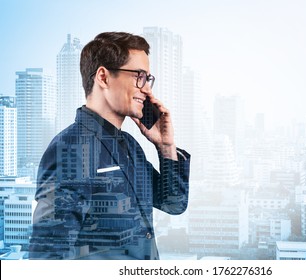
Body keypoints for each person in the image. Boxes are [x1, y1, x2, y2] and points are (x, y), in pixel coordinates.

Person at [29, 32, 190, 260]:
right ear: (103, 77)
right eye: (139, 76)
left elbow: (173, 203)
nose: (146, 89)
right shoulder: (70, 148)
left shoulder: (130, 147)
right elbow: (47, 258)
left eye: (148, 79)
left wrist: (166, 146)